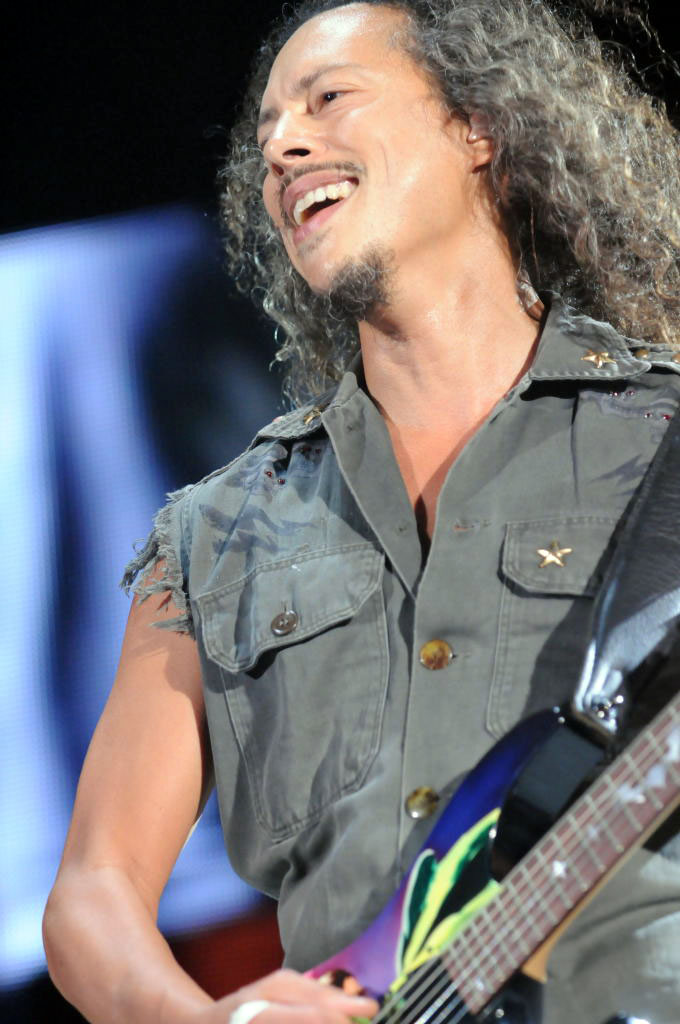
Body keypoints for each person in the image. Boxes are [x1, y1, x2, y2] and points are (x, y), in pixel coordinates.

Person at [43, 1, 680, 1022]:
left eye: (328, 97)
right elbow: (94, 889)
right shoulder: (214, 534)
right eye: (265, 136)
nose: (282, 147)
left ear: (477, 126)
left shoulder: (663, 441)